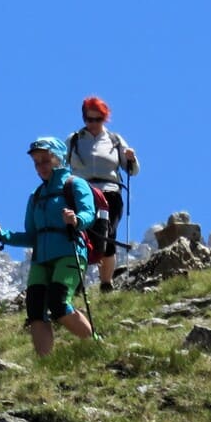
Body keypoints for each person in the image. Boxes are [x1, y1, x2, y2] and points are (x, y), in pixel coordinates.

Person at [0, 137, 96, 356]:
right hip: (41, 259)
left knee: (58, 302)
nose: (40, 167)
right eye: (36, 163)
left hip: (69, 251)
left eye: (45, 160)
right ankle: (45, 364)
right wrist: (2, 234)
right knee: (35, 310)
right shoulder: (36, 196)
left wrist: (76, 220)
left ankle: (94, 344)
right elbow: (31, 236)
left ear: (58, 159)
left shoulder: (74, 184)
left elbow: (89, 214)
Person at [66, 95, 139, 293]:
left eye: (97, 119)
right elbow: (62, 168)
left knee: (107, 234)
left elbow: (131, 170)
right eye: (89, 119)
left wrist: (131, 158)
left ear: (104, 119)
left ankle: (106, 283)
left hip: (110, 192)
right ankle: (78, 280)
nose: (93, 124)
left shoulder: (115, 140)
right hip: (82, 192)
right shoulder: (73, 140)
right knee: (80, 233)